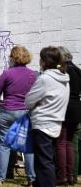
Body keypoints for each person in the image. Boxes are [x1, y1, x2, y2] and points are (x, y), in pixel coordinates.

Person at [25, 46, 70, 187]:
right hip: (56, 122)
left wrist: (38, 102)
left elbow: (28, 101)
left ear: (44, 61)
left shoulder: (45, 78)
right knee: (47, 161)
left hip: (42, 123)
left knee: (44, 163)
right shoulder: (64, 78)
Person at [0, 45, 36, 186]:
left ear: (13, 57)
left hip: (6, 112)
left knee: (4, 145)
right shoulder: (32, 74)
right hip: (24, 112)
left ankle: (0, 178)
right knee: (28, 145)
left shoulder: (7, 73)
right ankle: (31, 178)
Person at [56, 46, 81, 185]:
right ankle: (71, 176)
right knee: (70, 143)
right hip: (77, 108)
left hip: (64, 108)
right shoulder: (78, 70)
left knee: (61, 143)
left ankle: (62, 176)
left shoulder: (62, 70)